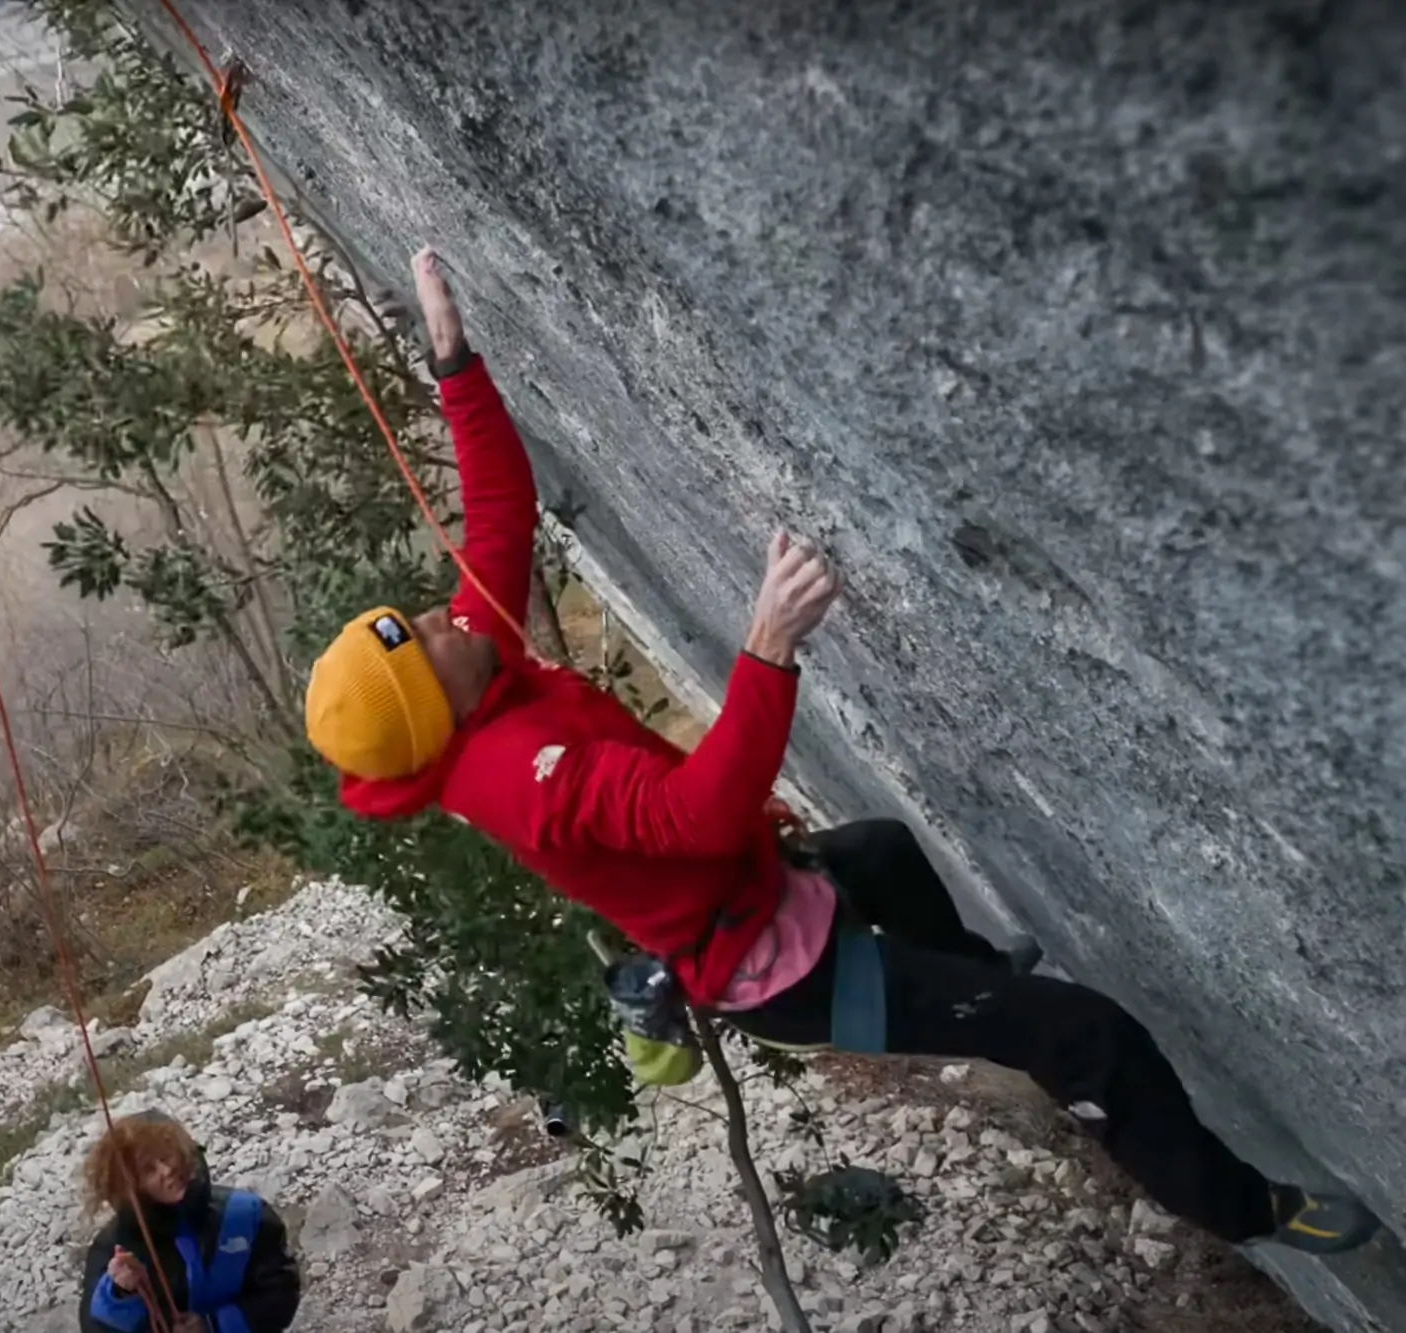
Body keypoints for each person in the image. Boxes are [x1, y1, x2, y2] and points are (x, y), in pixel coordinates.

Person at [300, 246, 1381, 1257]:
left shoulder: (468, 678)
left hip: (768, 891)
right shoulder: (522, 779)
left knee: (879, 849)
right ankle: (1248, 1207)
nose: (444, 619)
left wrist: (452, 359)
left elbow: (494, 513)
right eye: (429, 639)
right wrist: (764, 650)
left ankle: (962, 977)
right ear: (428, 716)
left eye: (425, 618)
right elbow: (692, 815)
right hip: (781, 965)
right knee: (1087, 1034)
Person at [79, 1110, 301, 1333]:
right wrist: (120, 1294)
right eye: (149, 1169)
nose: (167, 1170)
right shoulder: (113, 1247)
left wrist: (213, 1325)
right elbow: (95, 1328)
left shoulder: (245, 1213)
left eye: (167, 1156)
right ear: (130, 1188)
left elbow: (282, 1292)